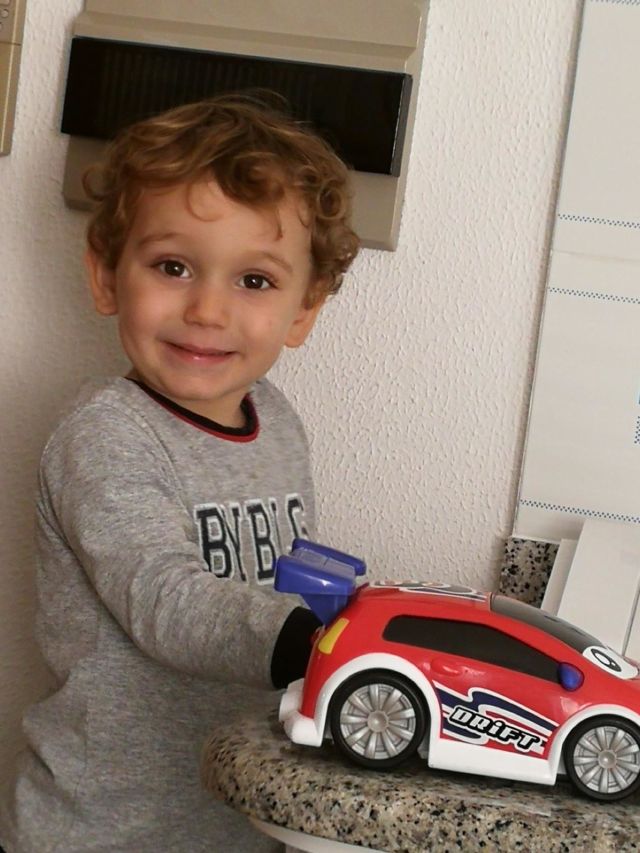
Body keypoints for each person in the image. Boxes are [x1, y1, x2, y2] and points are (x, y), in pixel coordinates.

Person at [0, 95, 359, 852]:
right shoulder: (104, 434)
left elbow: (295, 578)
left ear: (304, 310)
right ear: (107, 276)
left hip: (237, 817)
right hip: (104, 832)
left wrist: (360, 617)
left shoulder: (278, 421)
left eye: (253, 281)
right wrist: (316, 643)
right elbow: (164, 599)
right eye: (173, 267)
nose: (206, 309)